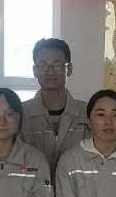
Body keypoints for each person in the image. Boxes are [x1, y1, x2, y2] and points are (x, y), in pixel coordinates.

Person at [20, 38, 89, 171]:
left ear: (69, 69)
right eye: (42, 65)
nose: (50, 71)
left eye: (57, 65)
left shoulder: (87, 113)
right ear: (35, 70)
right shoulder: (20, 114)